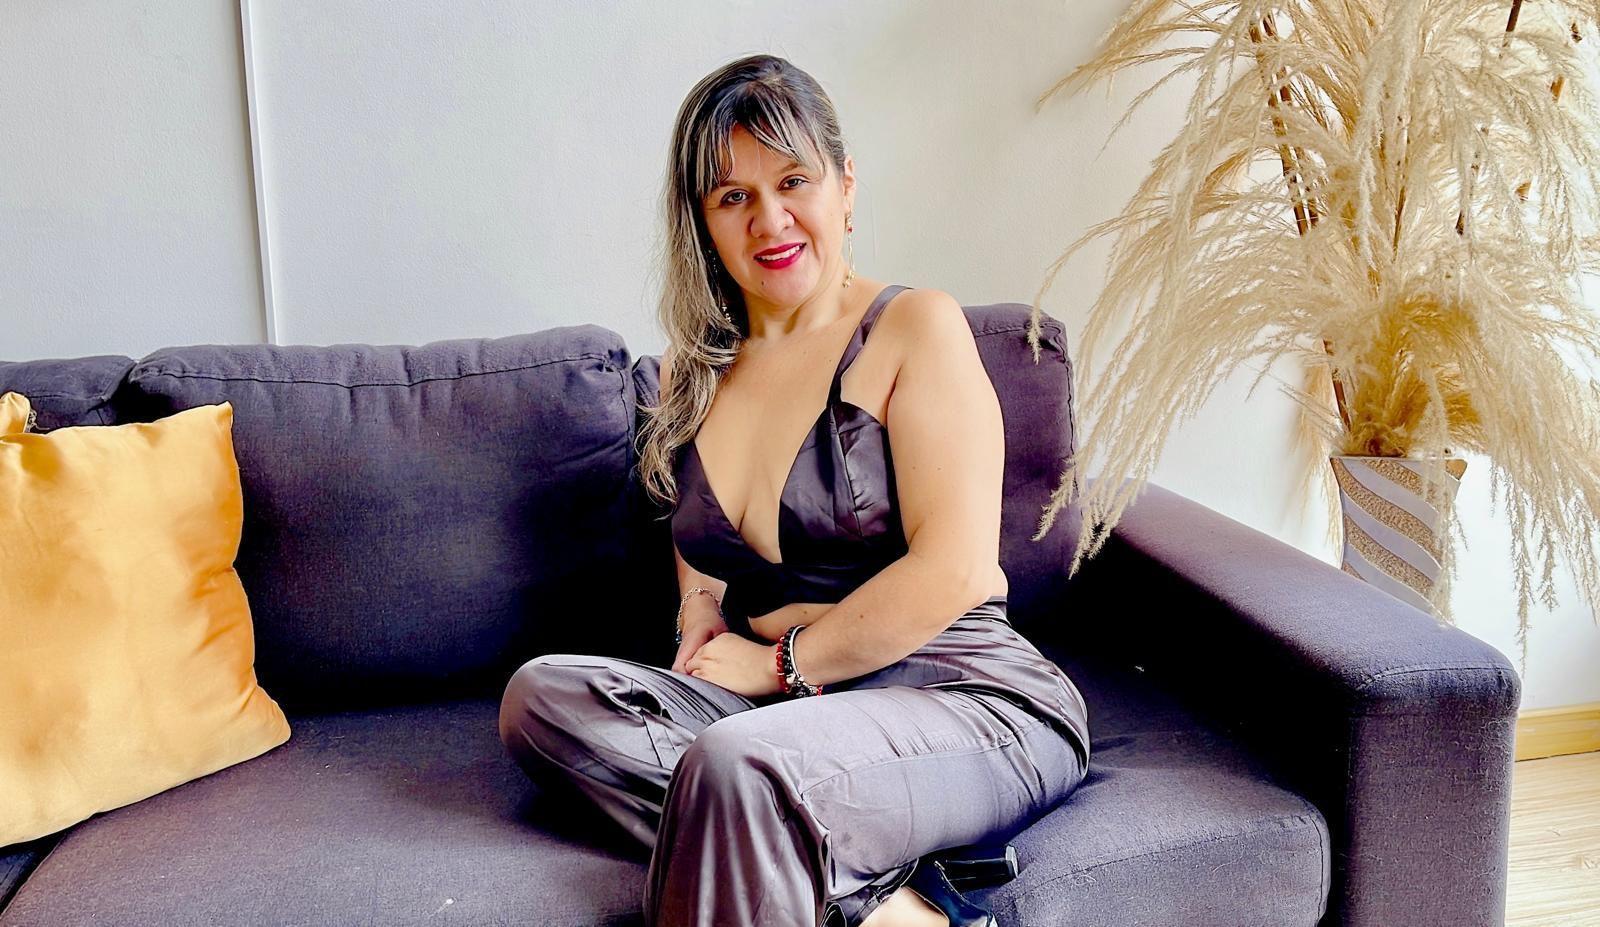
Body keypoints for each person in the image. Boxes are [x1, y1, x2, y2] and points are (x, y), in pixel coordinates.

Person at [498, 53, 1091, 927]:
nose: (769, 219)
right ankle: (874, 895)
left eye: (793, 182)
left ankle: (801, 833)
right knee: (545, 700)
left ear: (845, 187)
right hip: (776, 717)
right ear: (702, 221)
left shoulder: (913, 327)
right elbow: (701, 533)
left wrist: (779, 665)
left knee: (735, 766)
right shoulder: (693, 373)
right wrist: (699, 614)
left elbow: (957, 569)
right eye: (732, 196)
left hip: (959, 695)